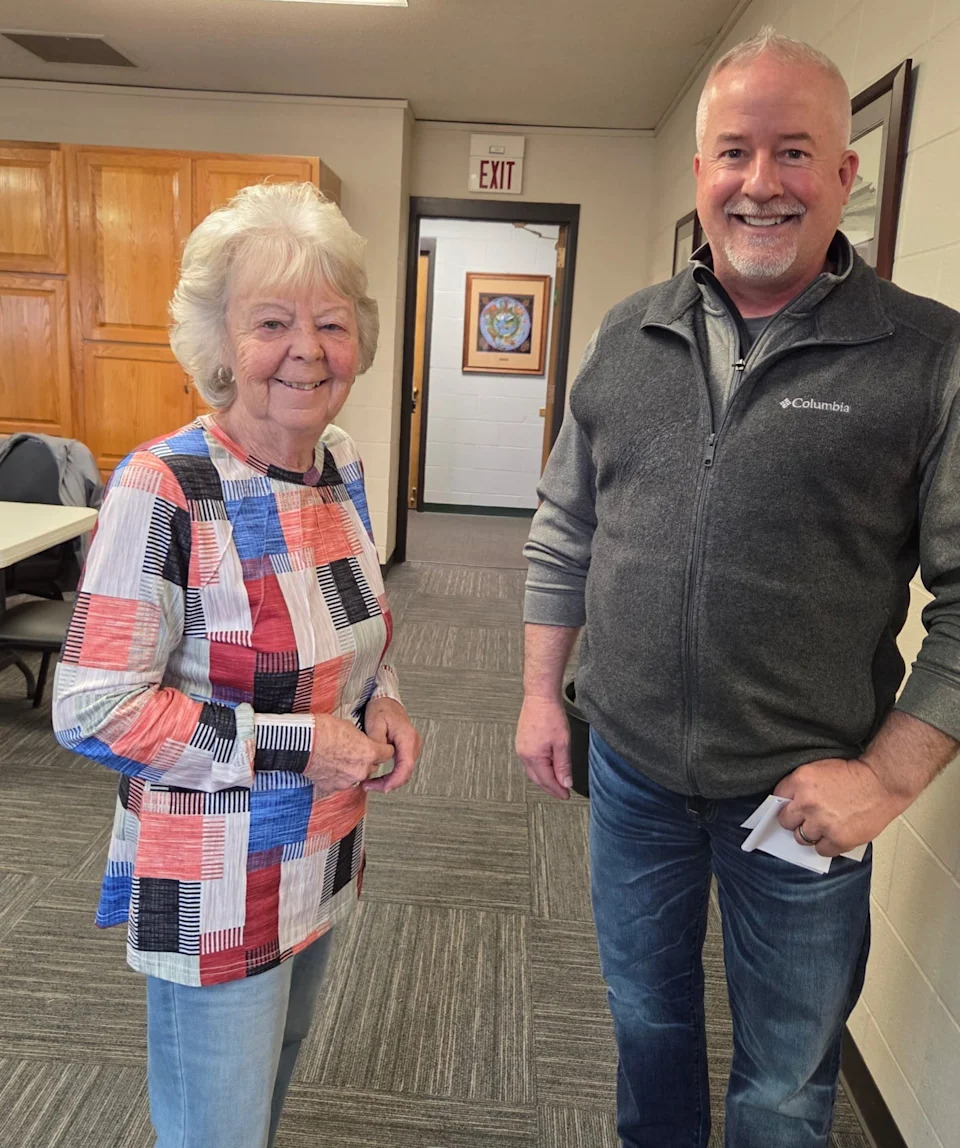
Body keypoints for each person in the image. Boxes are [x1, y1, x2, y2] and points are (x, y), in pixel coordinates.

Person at [517, 27, 960, 1148]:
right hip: (630, 775)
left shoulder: (926, 356)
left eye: (795, 151)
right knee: (649, 1022)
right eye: (734, 152)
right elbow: (567, 521)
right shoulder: (629, 333)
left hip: (803, 802)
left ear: (845, 174)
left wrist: (887, 780)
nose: (761, 183)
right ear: (700, 172)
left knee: (782, 1078)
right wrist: (539, 692)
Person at [52, 182, 422, 1148]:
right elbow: (92, 708)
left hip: (319, 846)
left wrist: (384, 702)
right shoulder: (162, 486)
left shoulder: (338, 464)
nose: (308, 349)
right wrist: (303, 744)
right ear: (220, 345)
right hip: (212, 872)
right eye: (272, 323)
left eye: (332, 323)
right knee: (215, 1128)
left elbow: (354, 628)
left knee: (271, 1086)